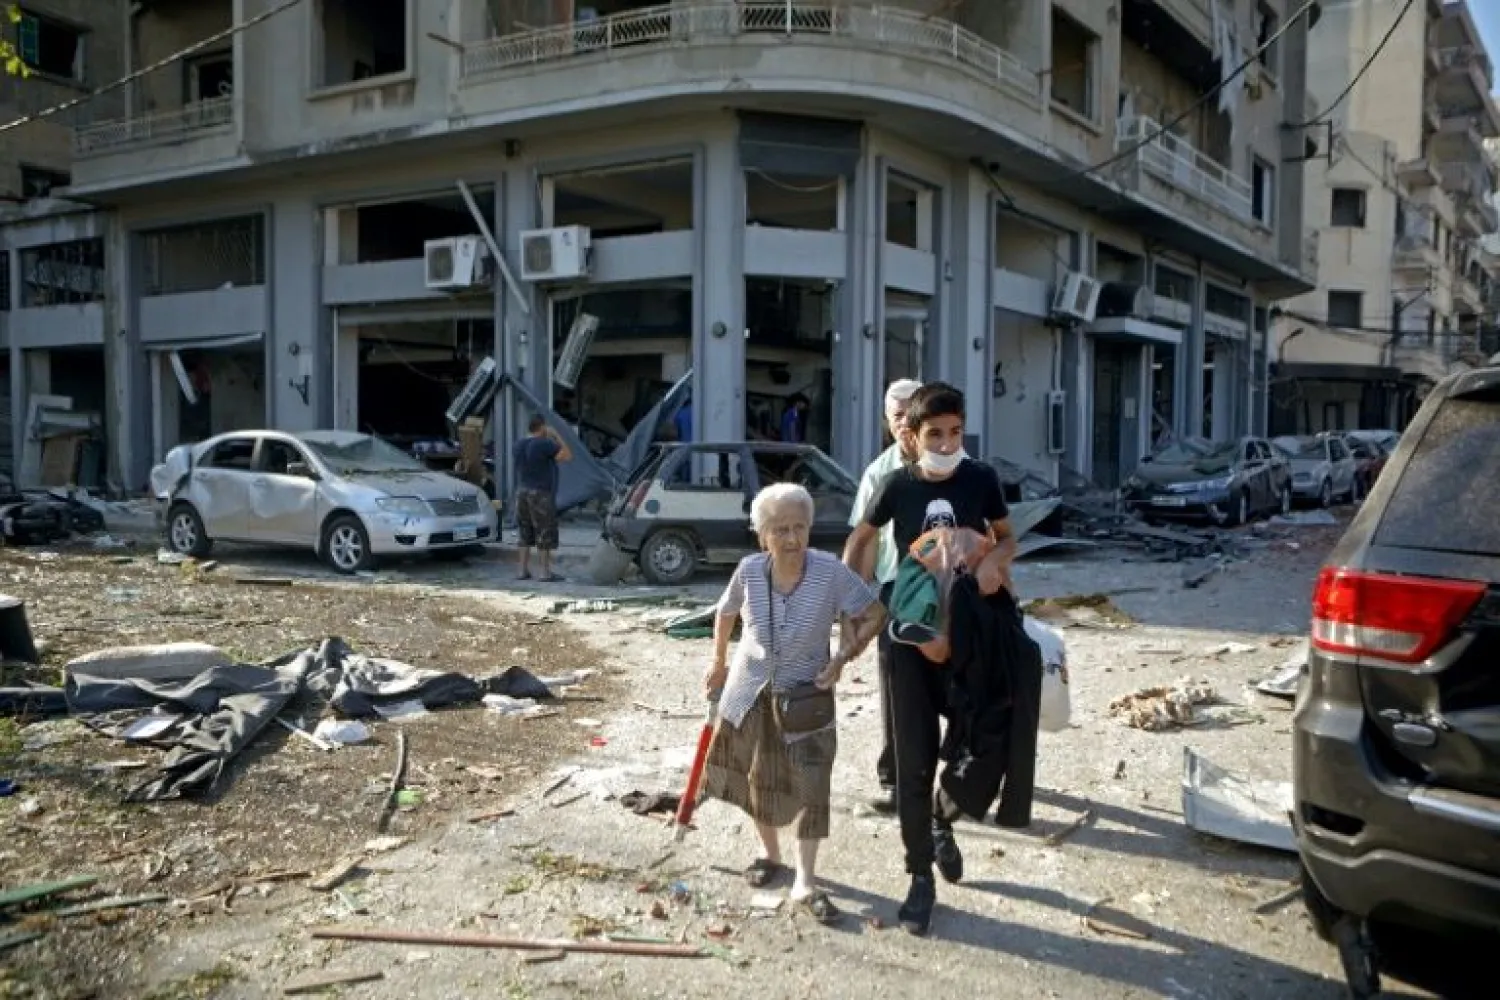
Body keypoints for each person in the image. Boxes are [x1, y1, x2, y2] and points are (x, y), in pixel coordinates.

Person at [841, 382, 1016, 937]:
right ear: (912, 439)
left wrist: (995, 563)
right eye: (934, 434)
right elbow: (861, 539)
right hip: (910, 637)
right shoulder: (895, 484)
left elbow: (1007, 537)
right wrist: (860, 600)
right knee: (912, 762)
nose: (946, 442)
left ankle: (944, 815)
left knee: (986, 746)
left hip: (969, 634)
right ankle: (920, 876)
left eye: (955, 432)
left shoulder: (981, 479)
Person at [702, 483, 885, 923]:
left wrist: (843, 657)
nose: (791, 539)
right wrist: (719, 661)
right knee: (755, 777)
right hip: (750, 690)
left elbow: (875, 613)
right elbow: (725, 612)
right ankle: (769, 854)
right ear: (762, 535)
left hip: (807, 697)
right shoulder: (749, 570)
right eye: (780, 529)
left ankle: (806, 879)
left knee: (812, 784)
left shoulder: (830, 572)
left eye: (799, 527)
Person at [848, 378, 923, 813]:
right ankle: (897, 782)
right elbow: (864, 540)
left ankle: (963, 774)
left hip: (951, 590)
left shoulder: (959, 465)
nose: (904, 424)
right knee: (898, 689)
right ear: (888, 421)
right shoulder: (880, 472)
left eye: (911, 413)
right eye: (896, 416)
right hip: (899, 590)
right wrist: (856, 605)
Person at [512, 414, 571, 582]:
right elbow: (567, 455)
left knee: (524, 532)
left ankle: (521, 570)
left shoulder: (518, 445)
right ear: (543, 427)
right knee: (544, 531)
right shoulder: (545, 444)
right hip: (540, 493)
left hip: (522, 492)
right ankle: (544, 572)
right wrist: (556, 435)